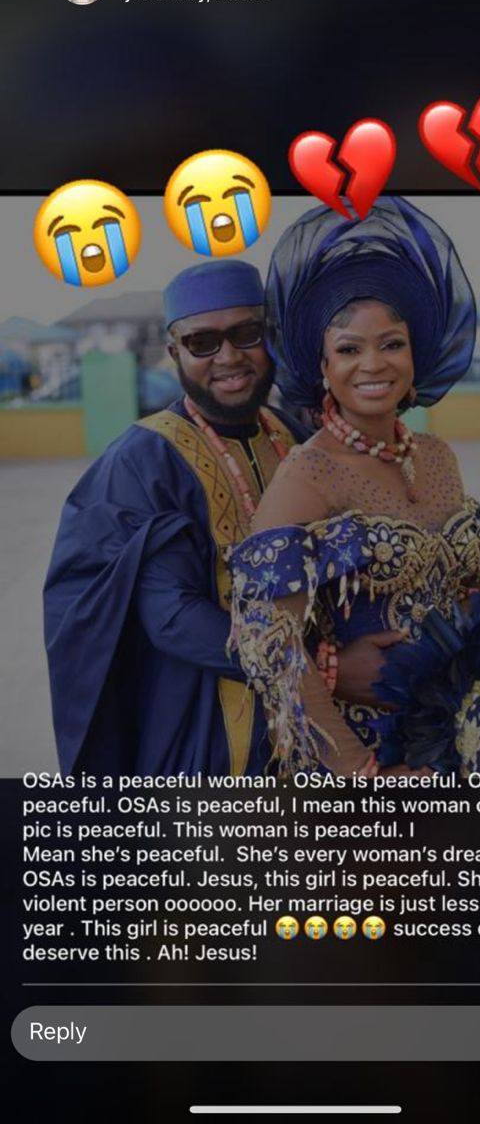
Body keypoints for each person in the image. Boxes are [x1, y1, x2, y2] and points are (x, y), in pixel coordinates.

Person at [229, 199, 480, 779]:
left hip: (460, 737)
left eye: (392, 343)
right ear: (323, 365)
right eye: (349, 348)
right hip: (369, 755)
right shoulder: (307, 476)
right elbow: (267, 641)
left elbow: (472, 590)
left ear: (415, 353)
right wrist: (364, 774)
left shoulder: (436, 456)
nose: (373, 364)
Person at [45, 259, 394, 777]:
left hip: (324, 737)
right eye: (202, 342)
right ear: (174, 352)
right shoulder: (143, 461)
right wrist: (326, 670)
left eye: (246, 334)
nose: (228, 357)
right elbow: (172, 616)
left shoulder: (294, 436)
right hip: (208, 734)